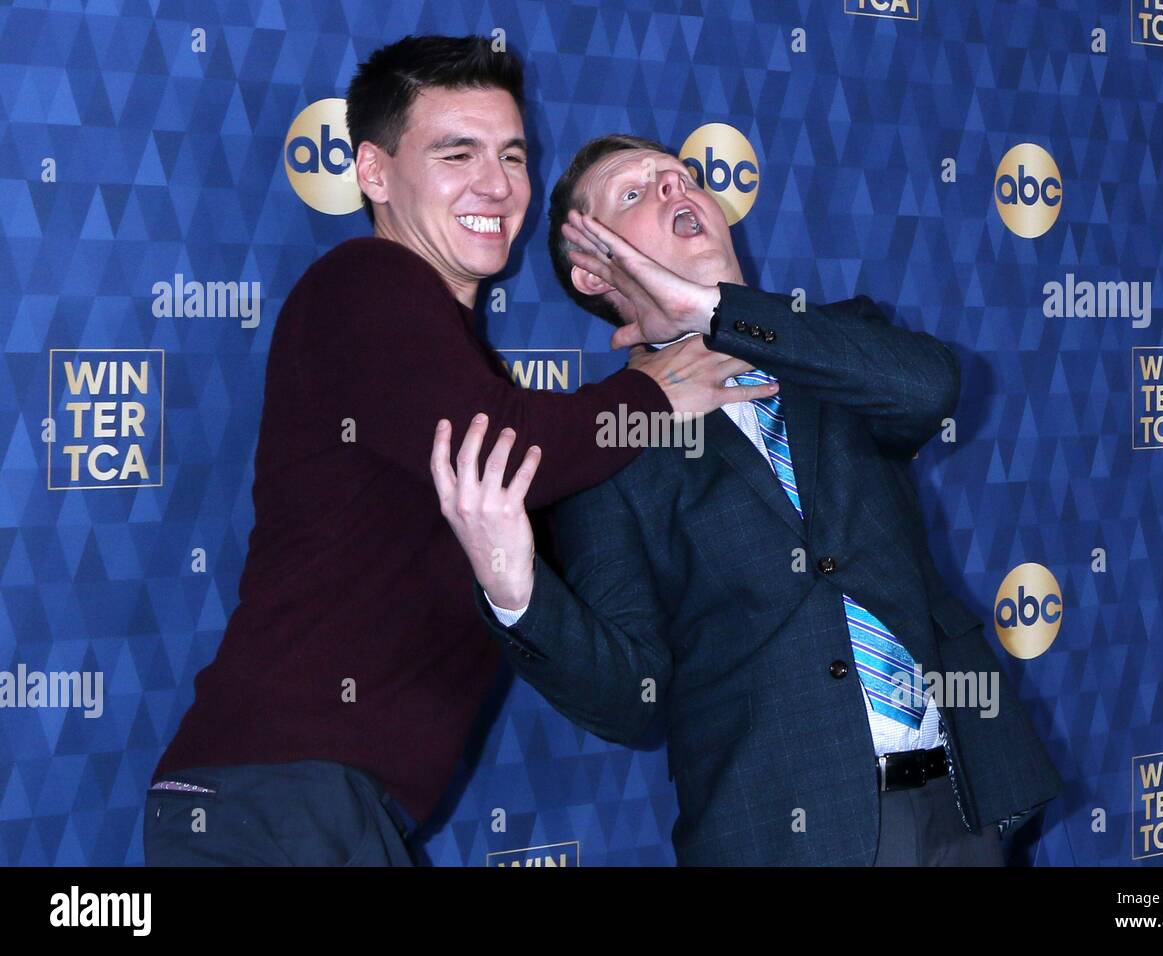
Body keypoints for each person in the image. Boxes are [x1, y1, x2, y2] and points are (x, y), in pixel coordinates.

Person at [144, 42, 769, 866]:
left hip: (317, 805)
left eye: (511, 154)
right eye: (455, 153)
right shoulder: (364, 282)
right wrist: (655, 391)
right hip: (276, 801)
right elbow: (498, 447)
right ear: (372, 171)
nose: (497, 183)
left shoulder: (454, 361)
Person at [432, 134, 1063, 866]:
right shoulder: (608, 442)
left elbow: (929, 389)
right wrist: (516, 588)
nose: (675, 190)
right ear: (594, 271)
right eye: (635, 194)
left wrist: (713, 311)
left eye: (682, 177)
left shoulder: (836, 344)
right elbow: (630, 699)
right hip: (781, 835)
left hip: (965, 810)